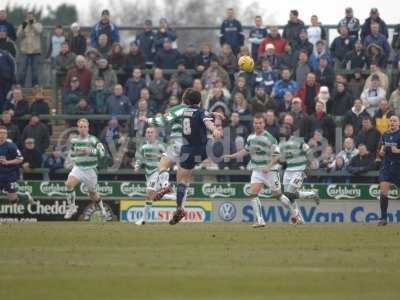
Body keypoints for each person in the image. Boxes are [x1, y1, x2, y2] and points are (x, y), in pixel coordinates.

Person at [225, 114, 299, 227]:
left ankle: (294, 213)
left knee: (278, 196)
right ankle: (260, 220)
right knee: (253, 193)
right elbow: (245, 151)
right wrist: (232, 156)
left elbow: (277, 154)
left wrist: (269, 166)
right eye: (256, 123)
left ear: (264, 124)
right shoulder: (250, 138)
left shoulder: (269, 138)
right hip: (257, 170)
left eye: (260, 123)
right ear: (253, 124)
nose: (258, 125)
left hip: (270, 171)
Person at [169, 89, 221, 225]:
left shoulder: (183, 111)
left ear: (187, 101)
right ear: (200, 101)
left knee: (181, 180)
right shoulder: (201, 111)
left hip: (187, 150)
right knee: (212, 142)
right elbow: (206, 120)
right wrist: (214, 129)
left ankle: (179, 207)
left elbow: (197, 115)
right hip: (203, 148)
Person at [64, 118, 108, 220]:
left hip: (90, 170)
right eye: (81, 127)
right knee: (68, 184)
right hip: (78, 168)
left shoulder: (93, 139)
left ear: (88, 128)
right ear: (78, 128)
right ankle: (71, 208)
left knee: (93, 194)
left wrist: (90, 150)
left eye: (85, 127)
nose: (83, 129)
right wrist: (73, 158)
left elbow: (102, 153)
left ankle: (102, 210)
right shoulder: (74, 140)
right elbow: (72, 153)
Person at [279, 124, 319, 221]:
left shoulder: (298, 140)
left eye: (287, 128)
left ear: (290, 131)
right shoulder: (281, 143)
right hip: (288, 171)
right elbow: (283, 160)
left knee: (289, 194)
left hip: (299, 170)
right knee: (290, 197)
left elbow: (308, 151)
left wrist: (309, 165)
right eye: (283, 128)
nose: (284, 130)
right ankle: (298, 218)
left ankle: (296, 214)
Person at [133, 126, 167, 225]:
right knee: (151, 196)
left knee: (149, 193)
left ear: (155, 134)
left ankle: (143, 219)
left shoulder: (160, 146)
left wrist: (160, 157)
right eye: (148, 132)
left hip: (157, 171)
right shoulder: (143, 147)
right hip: (148, 173)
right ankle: (172, 196)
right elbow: (139, 158)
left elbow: (168, 156)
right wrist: (137, 166)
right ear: (145, 134)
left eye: (151, 132)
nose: (149, 134)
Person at [0, 126, 35, 204]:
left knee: (13, 200)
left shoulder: (11, 146)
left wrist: (7, 162)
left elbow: (20, 159)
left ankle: (26, 195)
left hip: (9, 175)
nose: (2, 135)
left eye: (4, 133)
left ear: (6, 135)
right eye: (0, 133)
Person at [377, 115, 400, 226]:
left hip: (398, 166)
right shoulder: (385, 134)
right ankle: (383, 218)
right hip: (386, 166)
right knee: (383, 191)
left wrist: (398, 151)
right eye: (391, 121)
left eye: (394, 121)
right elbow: (381, 148)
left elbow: (396, 150)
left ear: (399, 123)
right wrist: (381, 152)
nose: (392, 122)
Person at [16, 11, 43, 87]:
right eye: (28, 16)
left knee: (35, 71)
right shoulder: (23, 24)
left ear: (33, 16)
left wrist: (32, 24)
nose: (29, 17)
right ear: (26, 17)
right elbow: (18, 35)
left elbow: (39, 31)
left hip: (35, 51)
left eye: (31, 16)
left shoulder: (38, 24)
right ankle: (21, 85)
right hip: (24, 51)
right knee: (22, 70)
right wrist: (24, 25)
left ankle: (35, 85)